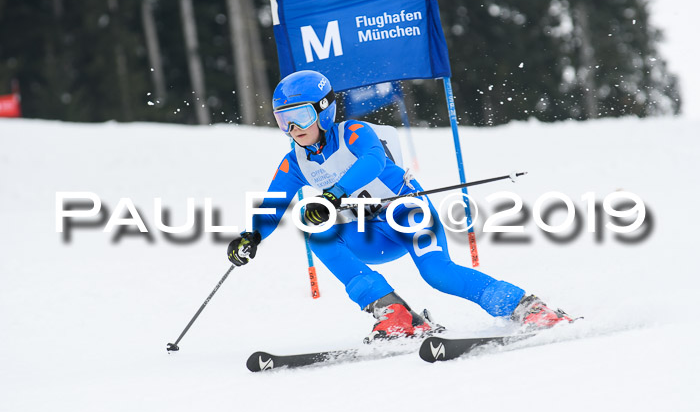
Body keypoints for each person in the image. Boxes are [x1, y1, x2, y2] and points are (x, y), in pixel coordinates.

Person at [227, 70, 572, 342]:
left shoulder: (353, 132)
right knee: (313, 228)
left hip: (406, 214)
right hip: (368, 235)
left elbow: (373, 161)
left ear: (323, 110)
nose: (292, 128)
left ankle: (527, 307)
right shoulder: (295, 162)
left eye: (300, 116)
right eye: (283, 119)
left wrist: (335, 192)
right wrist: (252, 236)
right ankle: (394, 313)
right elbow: (272, 205)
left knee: (439, 275)